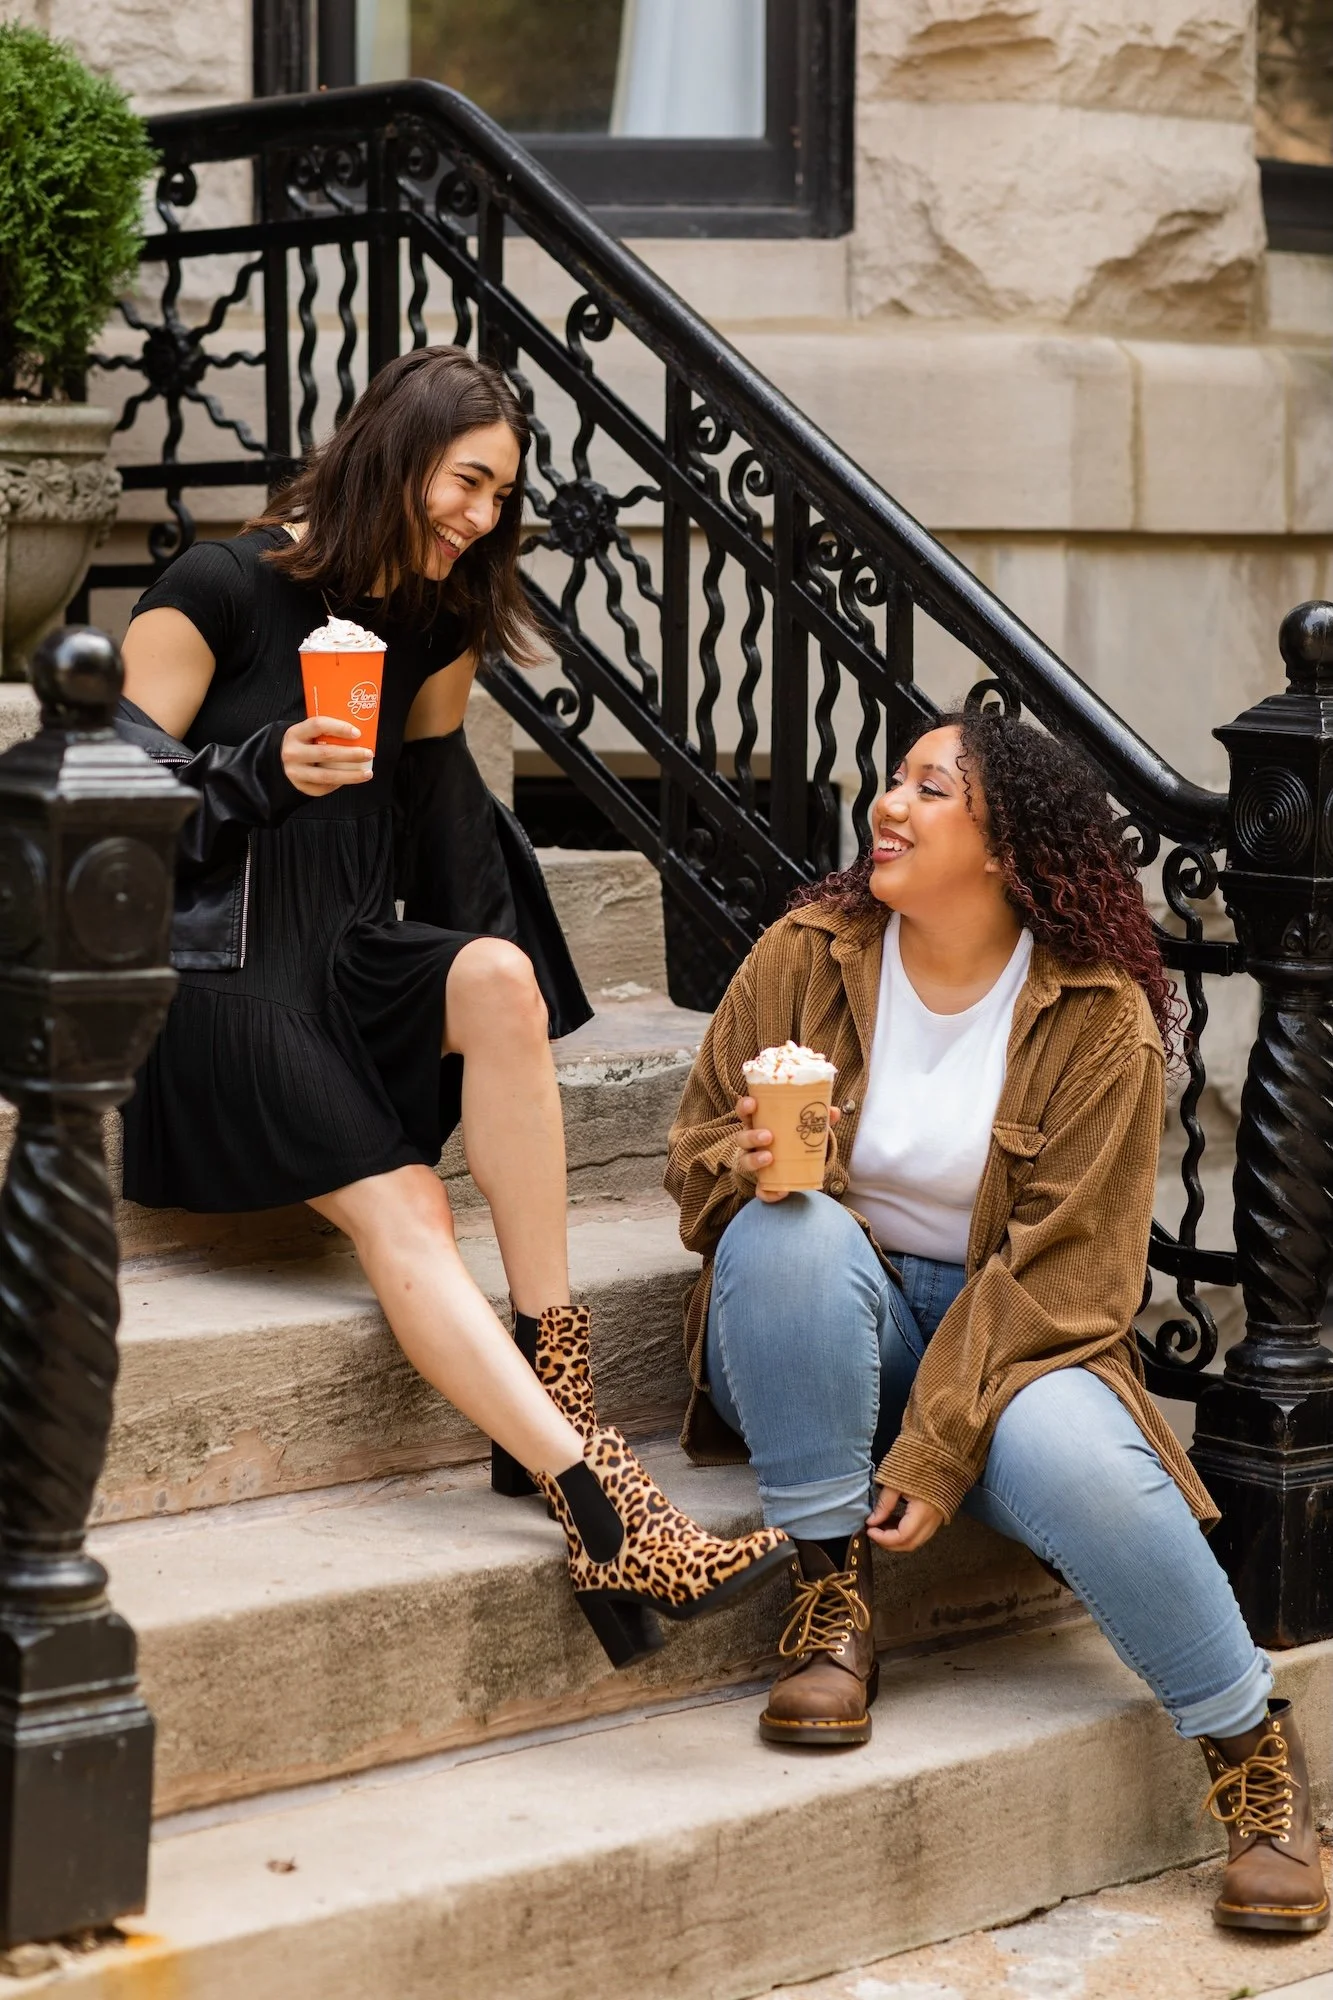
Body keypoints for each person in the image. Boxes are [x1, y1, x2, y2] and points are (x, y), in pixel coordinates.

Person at [117, 344, 788, 1669]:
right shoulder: (216, 589)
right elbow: (100, 812)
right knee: (415, 1208)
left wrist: (516, 1000)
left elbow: (438, 829)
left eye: (500, 499)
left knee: (491, 974)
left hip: (346, 961)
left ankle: (553, 1371)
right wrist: (259, 769)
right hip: (216, 983)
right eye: (466, 483)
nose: (480, 519)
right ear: (399, 448)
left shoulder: (432, 623)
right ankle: (597, 1500)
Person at [665, 709, 1327, 1935]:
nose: (889, 803)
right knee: (793, 1231)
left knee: (1084, 1455)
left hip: (1018, 1333)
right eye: (893, 777)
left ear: (1006, 844)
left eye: (929, 787)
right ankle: (829, 1593)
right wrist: (742, 1160)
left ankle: (1254, 1758)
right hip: (826, 1323)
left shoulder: (1098, 1018)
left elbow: (1069, 1285)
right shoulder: (804, 955)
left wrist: (938, 1442)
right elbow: (691, 1151)